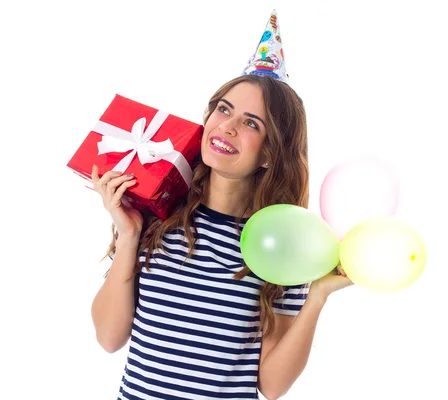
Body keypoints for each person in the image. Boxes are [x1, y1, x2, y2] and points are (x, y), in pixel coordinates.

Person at [90, 11, 353, 400]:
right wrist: (128, 237)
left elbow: (273, 386)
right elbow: (110, 338)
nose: (227, 127)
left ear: (269, 153)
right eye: (224, 110)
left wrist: (316, 297)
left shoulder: (281, 244)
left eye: (251, 124)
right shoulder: (155, 218)